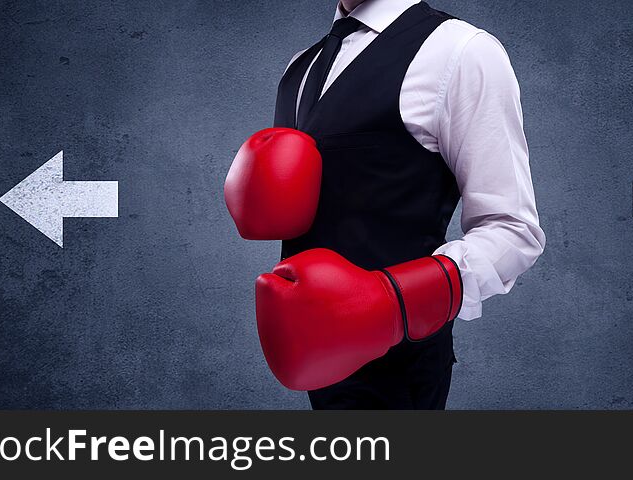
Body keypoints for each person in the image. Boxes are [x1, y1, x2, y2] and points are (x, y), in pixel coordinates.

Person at [225, 0, 545, 409]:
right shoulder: (299, 68)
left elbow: (514, 230)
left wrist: (395, 301)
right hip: (313, 357)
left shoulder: (460, 51)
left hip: (401, 370)